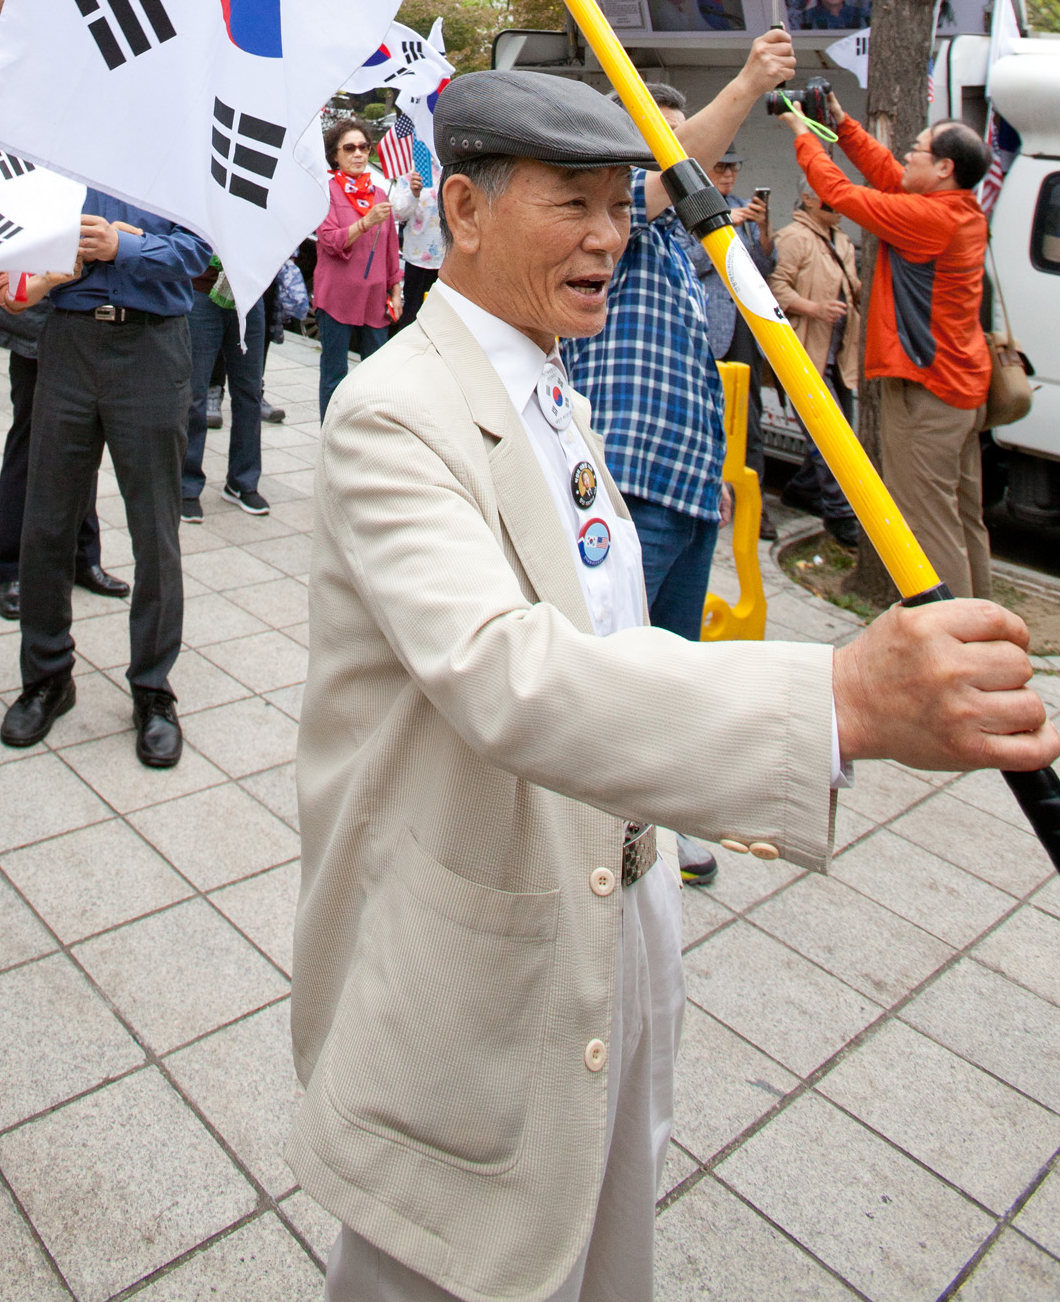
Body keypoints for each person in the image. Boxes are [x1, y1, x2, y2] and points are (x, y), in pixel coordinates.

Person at [289, 68, 1056, 1302]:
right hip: (465, 947)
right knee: (450, 1250)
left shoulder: (550, 379)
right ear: (466, 211)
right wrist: (834, 701)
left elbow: (615, 635)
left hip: (610, 911)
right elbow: (508, 671)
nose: (608, 233)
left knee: (598, 1227)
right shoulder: (392, 413)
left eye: (616, 202)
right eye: (572, 203)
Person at [561, 33, 796, 887]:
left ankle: (658, 817)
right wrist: (744, 82)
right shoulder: (611, 218)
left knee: (674, 667)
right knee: (619, 672)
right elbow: (677, 169)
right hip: (628, 482)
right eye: (659, 132)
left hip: (687, 488)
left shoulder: (683, 253)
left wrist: (722, 485)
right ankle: (586, 825)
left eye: (679, 126)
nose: (678, 144)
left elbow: (698, 379)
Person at [0, 193, 207, 766]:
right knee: (47, 519)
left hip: (152, 345)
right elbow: (17, 247)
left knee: (156, 531)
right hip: (68, 341)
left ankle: (154, 690)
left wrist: (126, 247)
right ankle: (46, 676)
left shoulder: (181, 153)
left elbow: (199, 251)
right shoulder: (60, 160)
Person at [780, 91, 993, 597]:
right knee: (965, 519)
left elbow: (843, 194)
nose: (904, 157)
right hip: (959, 392)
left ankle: (952, 641)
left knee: (926, 525)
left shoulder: (929, 220)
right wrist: (840, 123)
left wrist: (801, 133)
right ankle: (983, 621)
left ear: (942, 168)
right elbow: (888, 174)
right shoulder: (955, 208)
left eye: (915, 151)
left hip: (927, 394)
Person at [0, 278, 125, 622]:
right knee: (29, 441)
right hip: (39, 321)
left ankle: (83, 556)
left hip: (92, 327)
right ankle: (11, 567)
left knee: (86, 441)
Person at [681, 144, 777, 539]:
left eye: (734, 169)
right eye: (722, 168)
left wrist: (764, 228)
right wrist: (723, 228)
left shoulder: (741, 206)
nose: (729, 176)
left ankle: (753, 507)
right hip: (705, 324)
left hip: (742, 326)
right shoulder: (692, 208)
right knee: (703, 412)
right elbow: (692, 261)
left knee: (749, 418)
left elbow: (765, 267)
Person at [771, 185, 862, 548]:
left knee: (843, 431)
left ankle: (802, 490)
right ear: (809, 199)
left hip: (839, 353)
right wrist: (814, 309)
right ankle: (841, 514)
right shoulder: (793, 238)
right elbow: (774, 286)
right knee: (829, 435)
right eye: (830, 198)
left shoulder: (843, 241)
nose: (839, 206)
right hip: (808, 349)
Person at [315, 119, 402, 419]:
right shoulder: (326, 192)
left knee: (375, 377)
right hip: (337, 297)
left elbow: (391, 248)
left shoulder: (379, 196)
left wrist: (396, 291)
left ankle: (367, 435)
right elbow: (329, 240)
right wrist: (364, 223)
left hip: (375, 299)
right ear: (335, 155)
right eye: (349, 148)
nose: (358, 154)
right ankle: (330, 435)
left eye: (363, 147)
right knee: (335, 374)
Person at [182, 255, 270, 523]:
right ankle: (185, 485)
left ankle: (243, 482)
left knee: (249, 392)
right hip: (201, 290)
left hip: (249, 295)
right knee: (193, 394)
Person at [388, 163, 443, 334]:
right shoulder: (415, 165)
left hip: (450, 260)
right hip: (419, 258)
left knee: (440, 323)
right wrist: (413, 194)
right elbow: (396, 212)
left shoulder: (456, 162)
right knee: (412, 319)